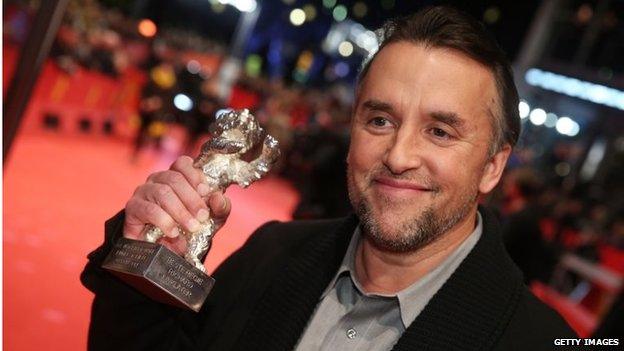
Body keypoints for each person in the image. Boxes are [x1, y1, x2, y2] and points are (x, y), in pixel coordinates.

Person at [81, 6, 576, 350]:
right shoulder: (271, 254)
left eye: (441, 131)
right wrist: (142, 266)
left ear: (493, 165)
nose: (399, 155)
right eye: (379, 121)